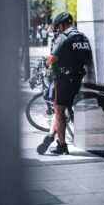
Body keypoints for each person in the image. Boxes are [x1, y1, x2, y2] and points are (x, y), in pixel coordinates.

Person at [37, 11, 92, 155]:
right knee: (62, 109)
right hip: (77, 78)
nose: (58, 29)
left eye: (58, 26)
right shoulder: (83, 38)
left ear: (62, 24)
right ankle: (51, 134)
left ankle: (61, 145)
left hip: (63, 79)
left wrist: (47, 61)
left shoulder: (64, 37)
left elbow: (52, 59)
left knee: (59, 110)